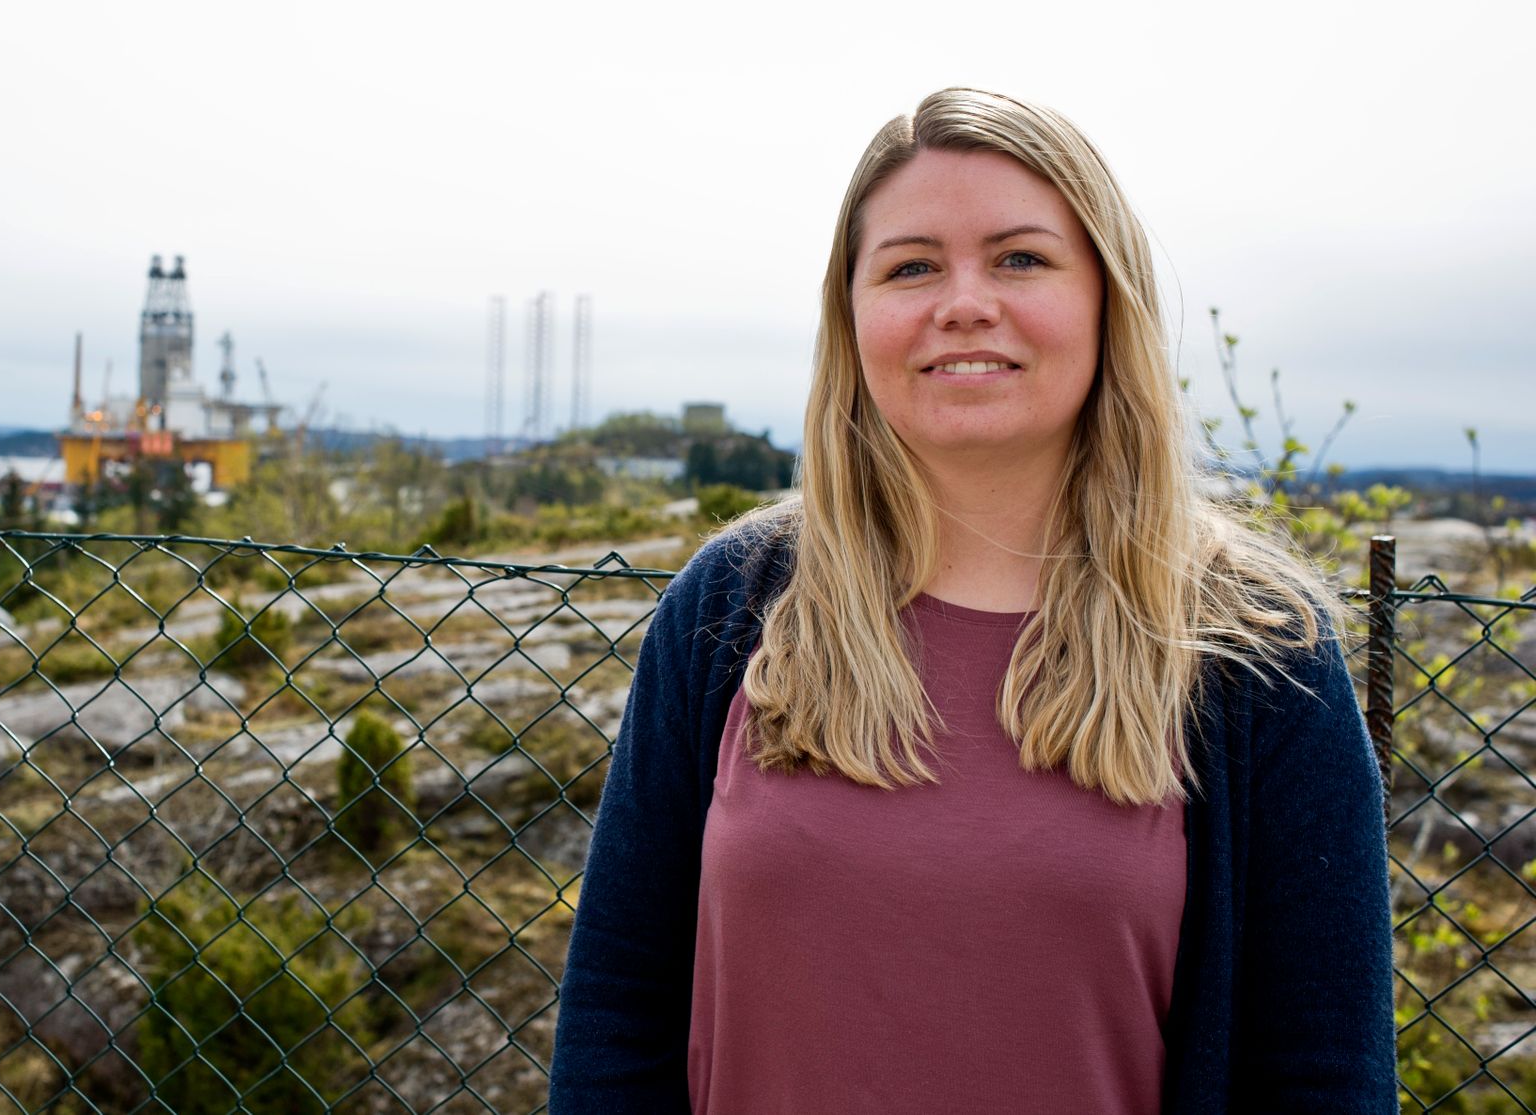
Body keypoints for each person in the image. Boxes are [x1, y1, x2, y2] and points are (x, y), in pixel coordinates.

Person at [548, 88, 1395, 1113]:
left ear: (1104, 298)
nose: (961, 301)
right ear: (851, 316)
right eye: (909, 266)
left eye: (1018, 258)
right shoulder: (730, 601)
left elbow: (1320, 1070)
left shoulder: (1254, 644)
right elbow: (615, 1011)